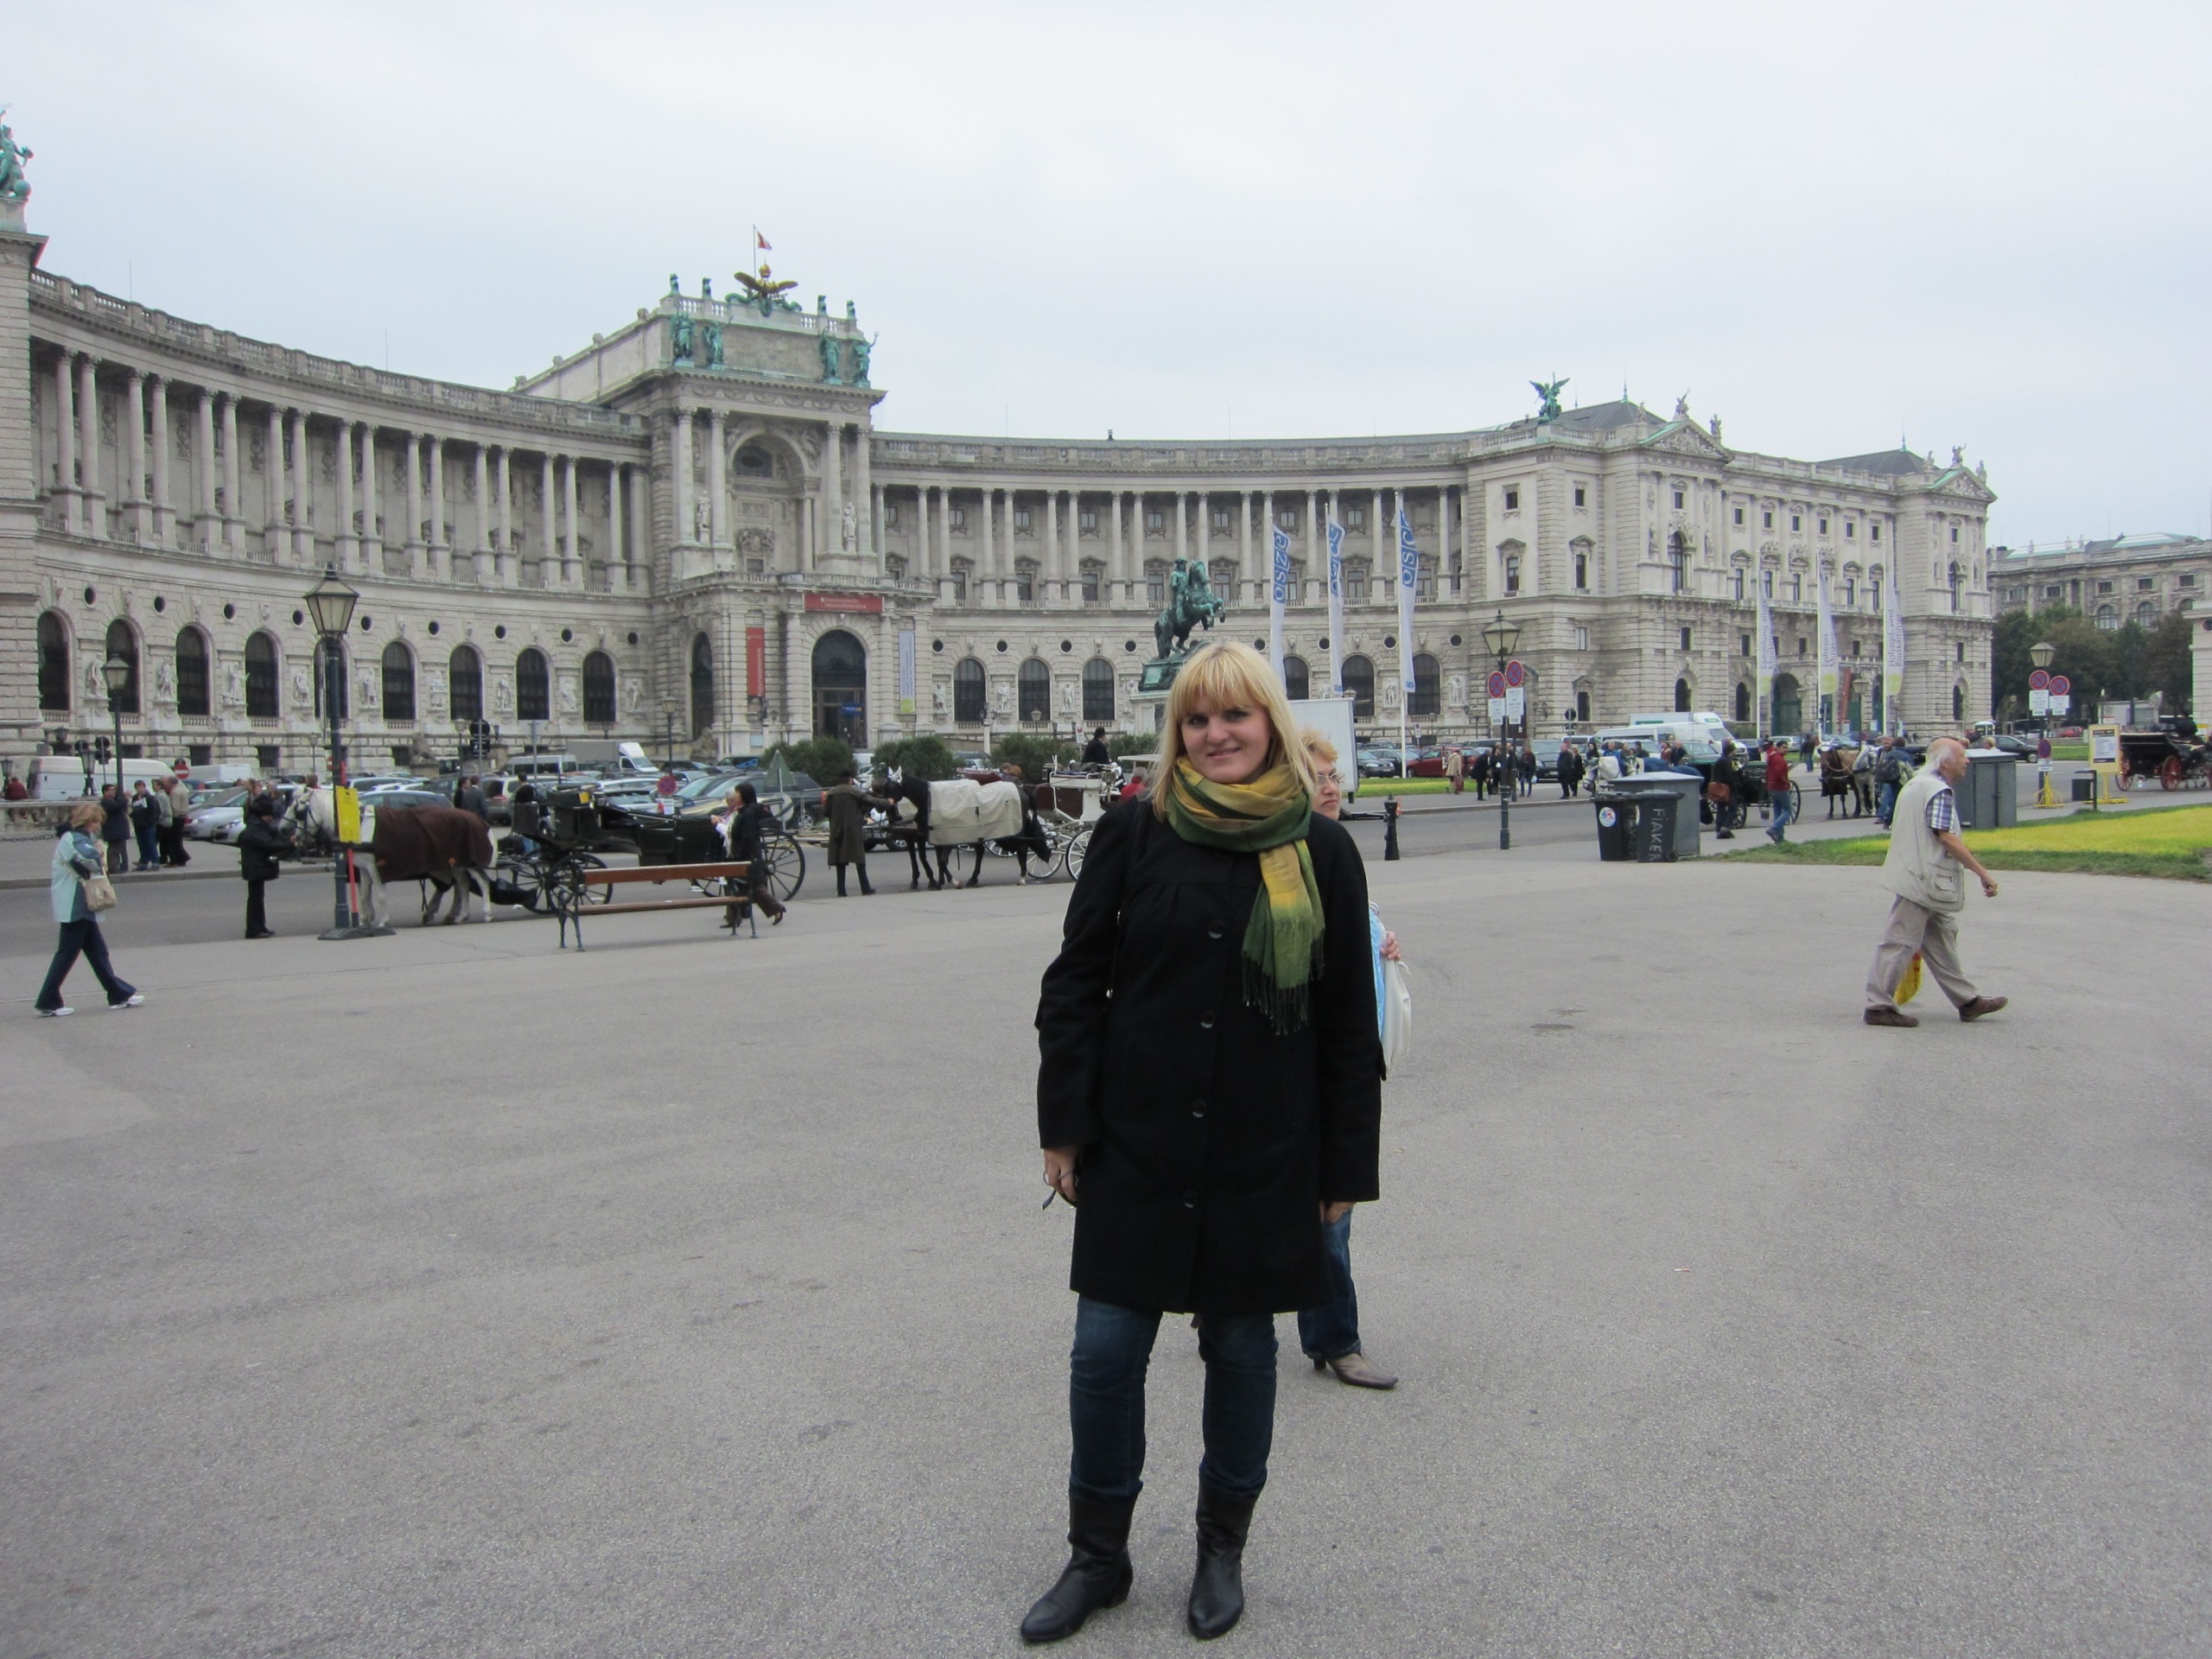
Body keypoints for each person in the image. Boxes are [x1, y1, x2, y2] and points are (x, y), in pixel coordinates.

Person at [1025, 640, 1382, 1646]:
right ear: (1175, 730)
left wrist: (1344, 1169)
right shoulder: (1134, 831)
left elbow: (1347, 1023)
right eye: (1196, 718)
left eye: (1234, 715)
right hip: (1137, 1138)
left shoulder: (1320, 851)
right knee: (1103, 1353)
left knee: (1239, 1347)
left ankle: (1221, 1549)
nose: (1215, 734)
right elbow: (1074, 985)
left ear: (1270, 723)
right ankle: (1097, 1556)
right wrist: (1064, 1125)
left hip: (1264, 1146)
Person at [1296, 728, 1400, 1391]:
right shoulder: (1293, 856)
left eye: (1334, 776)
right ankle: (1337, 1340)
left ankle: (1314, 1330)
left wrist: (1382, 938)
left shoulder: (1336, 850)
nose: (1332, 787)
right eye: (1318, 777)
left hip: (1355, 1055)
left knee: (1329, 1204)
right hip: (1309, 1061)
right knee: (1326, 1211)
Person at [1864, 735, 2007, 1028]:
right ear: (1946, 762)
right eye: (1962, 755)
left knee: (1940, 940)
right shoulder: (1938, 791)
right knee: (1899, 942)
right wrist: (1982, 873)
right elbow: (1946, 837)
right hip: (1924, 879)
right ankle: (1878, 1006)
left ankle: (1968, 1001)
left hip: (1915, 873)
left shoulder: (1916, 784)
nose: (1967, 760)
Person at [35, 800, 143, 1016]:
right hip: (76, 903)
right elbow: (89, 857)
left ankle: (118, 993)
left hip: (78, 903)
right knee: (68, 954)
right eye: (97, 823)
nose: (98, 827)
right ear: (88, 821)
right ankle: (48, 1000)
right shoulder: (75, 838)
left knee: (97, 953)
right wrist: (99, 849)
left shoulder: (73, 837)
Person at [716, 781, 785, 927]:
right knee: (740, 885)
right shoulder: (744, 811)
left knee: (748, 885)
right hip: (744, 853)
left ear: (744, 795)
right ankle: (733, 918)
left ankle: (774, 909)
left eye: (738, 793)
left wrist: (738, 853)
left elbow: (747, 836)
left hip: (746, 854)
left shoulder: (748, 813)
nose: (736, 795)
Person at [821, 768, 889, 896]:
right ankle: (865, 888)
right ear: (850, 779)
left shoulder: (831, 793)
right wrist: (887, 802)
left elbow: (825, 812)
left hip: (836, 830)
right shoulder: (854, 791)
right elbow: (871, 800)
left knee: (840, 861)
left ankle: (841, 891)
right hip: (853, 829)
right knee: (859, 859)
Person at [237, 792, 292, 939]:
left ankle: (260, 927)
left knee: (258, 898)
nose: (271, 818)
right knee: (255, 900)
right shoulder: (255, 828)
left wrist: (286, 840)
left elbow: (273, 837)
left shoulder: (257, 825)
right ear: (263, 815)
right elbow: (269, 843)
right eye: (269, 816)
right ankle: (254, 929)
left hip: (257, 867)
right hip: (255, 868)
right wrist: (289, 844)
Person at [1764, 741, 1795, 843]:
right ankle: (1774, 828)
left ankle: (1779, 837)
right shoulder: (1779, 760)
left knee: (1777, 811)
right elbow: (1779, 774)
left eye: (1787, 748)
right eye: (1783, 747)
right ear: (1777, 748)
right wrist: (1786, 782)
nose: (1786, 750)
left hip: (1771, 787)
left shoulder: (1772, 758)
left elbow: (1768, 772)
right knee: (1787, 810)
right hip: (1780, 787)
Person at [1873, 736, 1905, 827]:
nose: (1886, 742)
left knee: (1885, 796)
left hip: (1890, 776)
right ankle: (1891, 814)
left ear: (1892, 742)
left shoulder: (1893, 752)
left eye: (1888, 740)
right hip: (1881, 776)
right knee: (1888, 797)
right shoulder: (1880, 751)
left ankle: (1881, 816)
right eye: (1885, 740)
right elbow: (1878, 763)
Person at [99, 784, 131, 874]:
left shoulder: (113, 800)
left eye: (114, 789)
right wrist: (126, 798)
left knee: (120, 849)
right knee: (114, 850)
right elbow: (116, 807)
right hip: (114, 830)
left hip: (118, 830)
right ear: (105, 792)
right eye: (111, 790)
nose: (113, 791)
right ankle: (113, 867)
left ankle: (122, 866)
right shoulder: (106, 801)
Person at [162, 772, 193, 866]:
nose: (165, 784)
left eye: (166, 782)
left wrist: (171, 815)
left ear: (170, 783)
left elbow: (175, 807)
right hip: (182, 816)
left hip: (177, 818)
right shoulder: (182, 789)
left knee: (174, 840)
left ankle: (178, 858)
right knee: (177, 840)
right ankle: (181, 858)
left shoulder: (175, 792)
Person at [130, 781, 161, 871]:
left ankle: (155, 862)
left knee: (150, 844)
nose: (139, 789)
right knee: (142, 845)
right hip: (138, 825)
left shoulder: (150, 798)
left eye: (141, 787)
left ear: (144, 787)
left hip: (148, 825)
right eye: (137, 787)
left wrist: (150, 822)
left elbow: (155, 811)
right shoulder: (135, 798)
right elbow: (135, 810)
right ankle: (143, 862)